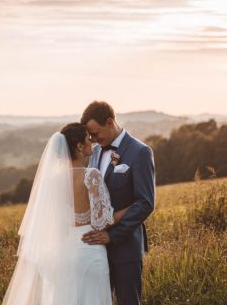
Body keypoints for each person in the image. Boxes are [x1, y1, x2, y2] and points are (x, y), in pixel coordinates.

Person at [2, 122, 129, 305]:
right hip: (89, 251)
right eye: (87, 139)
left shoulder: (53, 180)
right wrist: (130, 208)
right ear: (79, 146)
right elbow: (103, 222)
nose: (92, 142)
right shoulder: (91, 175)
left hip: (63, 253)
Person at [81, 101, 156, 305]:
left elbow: (145, 203)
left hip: (126, 248)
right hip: (96, 251)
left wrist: (112, 235)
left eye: (96, 133)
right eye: (90, 136)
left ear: (110, 122)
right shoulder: (95, 152)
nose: (93, 140)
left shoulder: (140, 152)